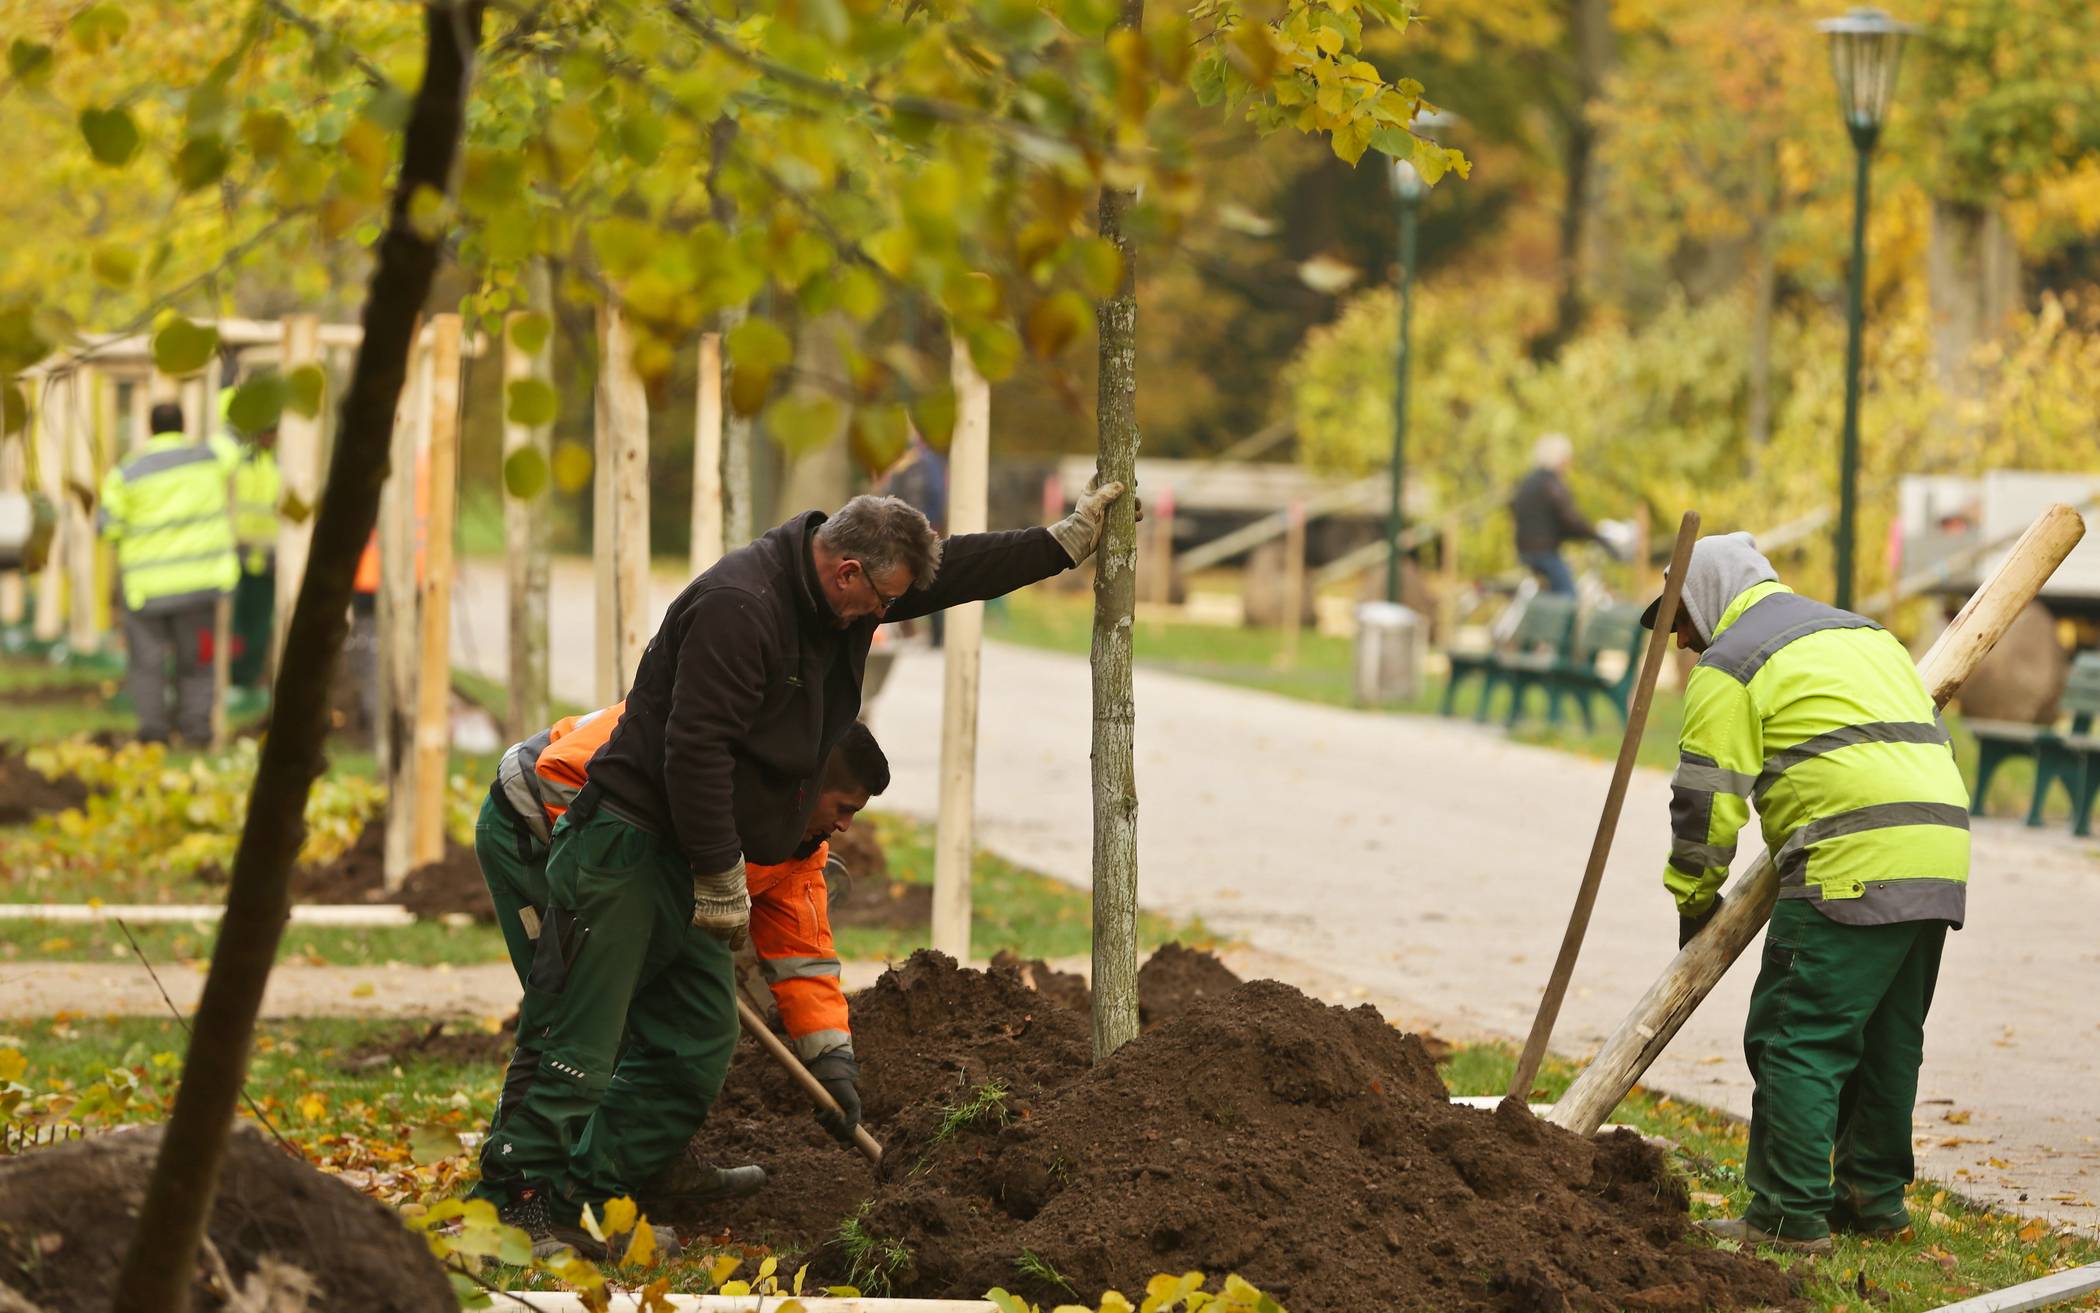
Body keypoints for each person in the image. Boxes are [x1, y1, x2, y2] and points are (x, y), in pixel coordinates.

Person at [473, 485, 1129, 1253]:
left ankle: (596, 1187)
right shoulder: (739, 607)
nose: (881, 618)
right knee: (578, 1035)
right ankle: (514, 1205)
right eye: (879, 602)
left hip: (685, 856)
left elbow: (953, 573)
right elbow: (694, 751)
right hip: (627, 839)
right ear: (847, 570)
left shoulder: (840, 600)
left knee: (695, 1039)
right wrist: (722, 876)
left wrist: (1058, 543)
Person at [1647, 533, 1969, 1254]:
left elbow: (1704, 801)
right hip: (1939, 849)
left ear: (1706, 598)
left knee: (1796, 1034)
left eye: (1681, 623)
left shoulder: (1731, 664)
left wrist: (1692, 899)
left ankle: (1789, 1217)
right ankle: (1873, 1201)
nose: (1682, 643)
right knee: (1888, 1040)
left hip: (1850, 856)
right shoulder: (1862, 632)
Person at [97, 401, 240, 744]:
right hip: (199, 585)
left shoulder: (127, 474)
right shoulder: (207, 459)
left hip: (146, 590)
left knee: (147, 665)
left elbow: (108, 528)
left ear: (149, 427)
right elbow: (234, 435)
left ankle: (153, 733)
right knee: (198, 663)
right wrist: (228, 385)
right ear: (184, 424)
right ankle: (197, 731)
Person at [226, 393, 281, 693]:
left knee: (258, 627)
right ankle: (234, 678)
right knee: (236, 625)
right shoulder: (238, 463)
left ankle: (248, 679)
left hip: (268, 560)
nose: (269, 437)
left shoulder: (282, 466)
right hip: (237, 556)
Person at [1510, 432, 1607, 596]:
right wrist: (1595, 535)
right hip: (1543, 552)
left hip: (1525, 550)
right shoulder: (1552, 485)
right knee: (1568, 597)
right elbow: (1570, 519)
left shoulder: (1527, 481)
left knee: (1550, 596)